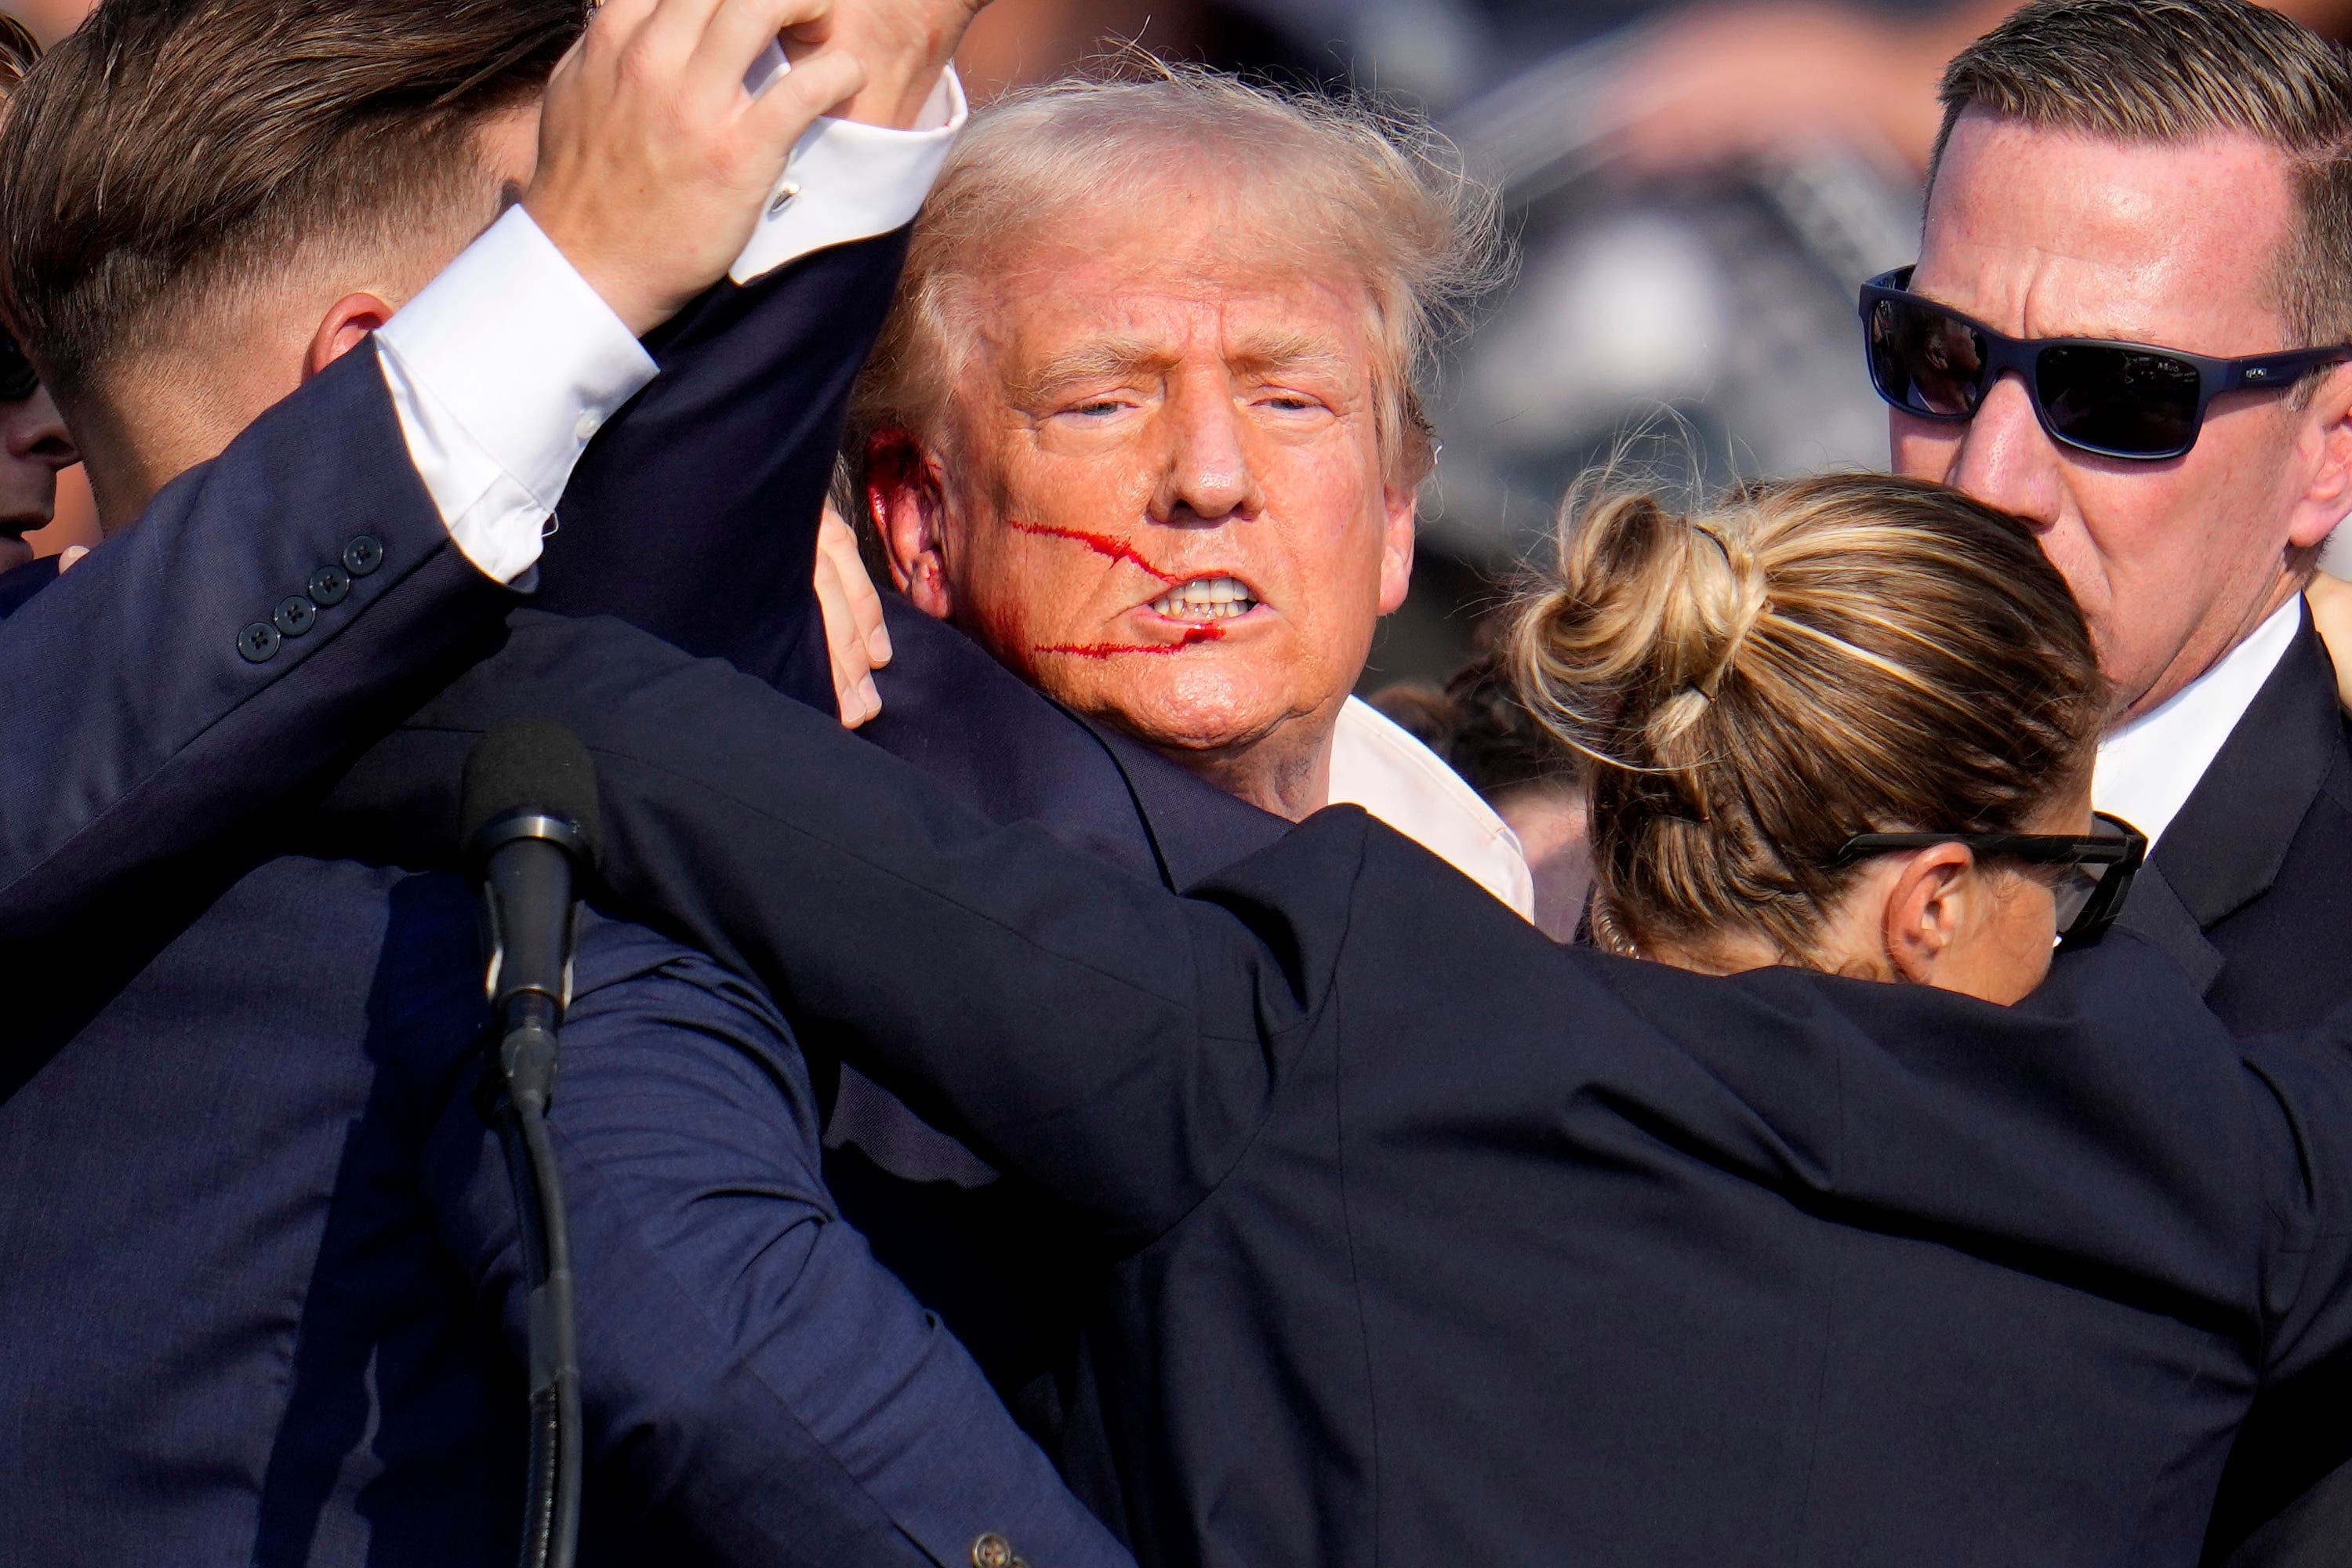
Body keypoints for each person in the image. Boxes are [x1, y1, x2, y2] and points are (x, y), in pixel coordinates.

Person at [313, 467, 2352, 1566]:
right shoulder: (2215, 1175)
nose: (2103, 952)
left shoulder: (1332, 1038)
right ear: (1929, 906)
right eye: (2086, 887)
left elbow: (615, 738)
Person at [0, 0, 1134, 1562]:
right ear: (370, 364)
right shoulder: (530, 765)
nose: (669, 380)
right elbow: (712, 1339)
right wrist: (580, 271)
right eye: (650, 319)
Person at [1859, 4, 2352, 1553]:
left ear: (2334, 449)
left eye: (2118, 397)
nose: (1989, 475)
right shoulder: (1670, 828)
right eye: (1940, 363)